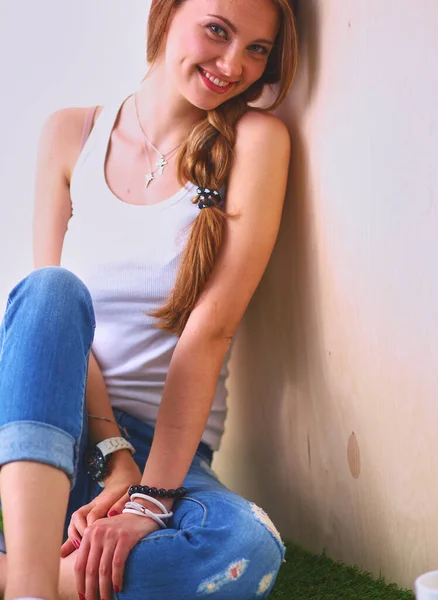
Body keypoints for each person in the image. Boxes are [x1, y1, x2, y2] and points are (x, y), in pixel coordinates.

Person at [0, 0, 299, 599]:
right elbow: (54, 333)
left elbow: (209, 330)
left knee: (248, 547)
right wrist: (114, 457)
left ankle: (21, 575)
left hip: (171, 460)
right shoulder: (70, 134)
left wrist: (149, 499)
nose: (232, 63)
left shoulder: (257, 141)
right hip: (52, 427)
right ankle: (35, 584)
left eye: (256, 50)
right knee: (51, 292)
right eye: (218, 30)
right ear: (166, 13)